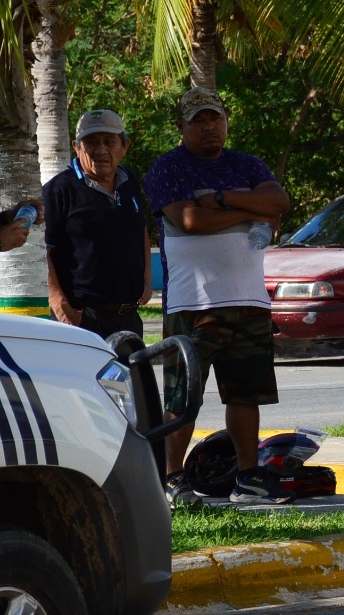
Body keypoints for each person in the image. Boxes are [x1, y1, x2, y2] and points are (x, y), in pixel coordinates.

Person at [145, 88, 292, 505]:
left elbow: (279, 201)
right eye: (198, 121)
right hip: (194, 303)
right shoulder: (168, 167)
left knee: (246, 395)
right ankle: (172, 478)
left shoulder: (247, 164)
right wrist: (255, 212)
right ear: (182, 127)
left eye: (216, 118)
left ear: (226, 121)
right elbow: (189, 219)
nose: (209, 127)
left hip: (249, 301)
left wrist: (224, 200)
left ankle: (248, 477)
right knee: (182, 396)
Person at [43, 109, 153, 340]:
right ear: (77, 147)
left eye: (109, 141)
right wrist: (62, 307)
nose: (101, 150)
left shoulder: (128, 181)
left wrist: (146, 278)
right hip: (82, 318)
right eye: (91, 142)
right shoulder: (59, 189)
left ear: (125, 146)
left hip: (129, 317)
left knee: (130, 377)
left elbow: (139, 227)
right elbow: (42, 251)